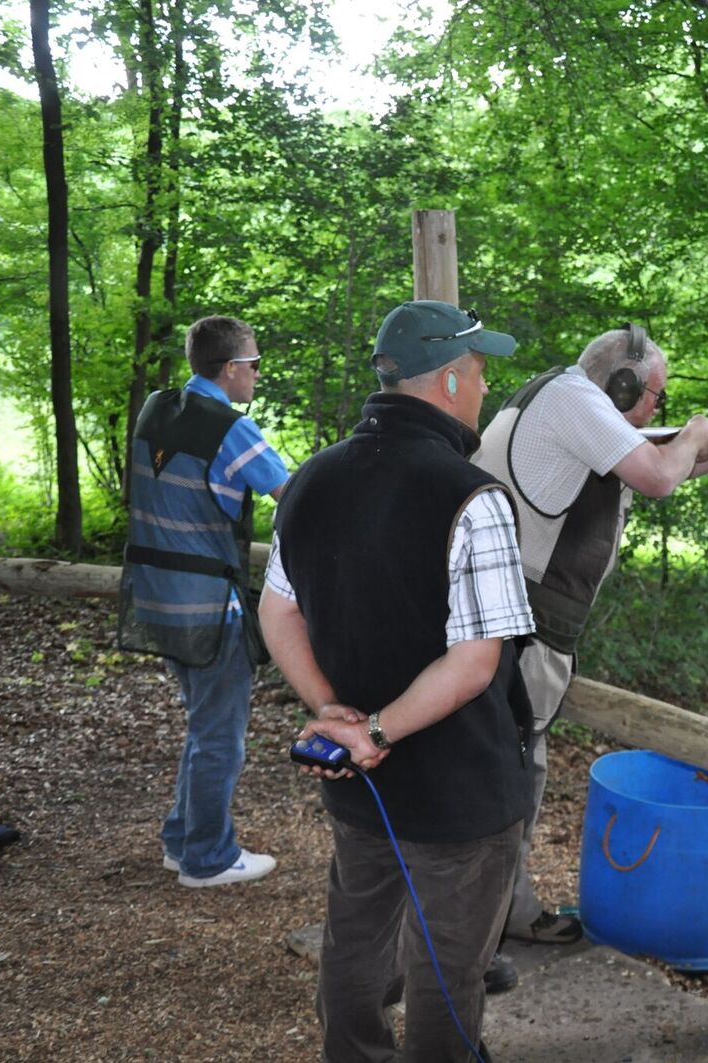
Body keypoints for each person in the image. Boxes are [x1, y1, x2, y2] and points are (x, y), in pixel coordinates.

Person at [260, 300, 535, 1063]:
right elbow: (476, 661)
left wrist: (332, 713)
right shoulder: (470, 496)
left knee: (355, 940)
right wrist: (373, 731)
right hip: (458, 788)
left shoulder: (310, 478)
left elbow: (276, 612)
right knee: (448, 971)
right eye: (479, 372)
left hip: (356, 776)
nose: (483, 388)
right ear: (449, 382)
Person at [472, 323, 708, 946]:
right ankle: (474, 930)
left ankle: (501, 911)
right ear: (622, 381)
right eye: (654, 393)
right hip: (521, 630)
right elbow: (661, 474)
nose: (658, 407)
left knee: (517, 769)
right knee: (502, 777)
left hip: (516, 626)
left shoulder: (565, 404)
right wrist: (692, 434)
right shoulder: (572, 399)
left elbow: (662, 465)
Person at [119, 315, 289, 888]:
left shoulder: (157, 409)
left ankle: (181, 840)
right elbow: (292, 494)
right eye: (255, 364)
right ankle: (208, 859)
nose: (259, 375)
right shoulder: (229, 428)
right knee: (220, 734)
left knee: (203, 725)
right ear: (231, 369)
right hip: (210, 608)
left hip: (156, 600)